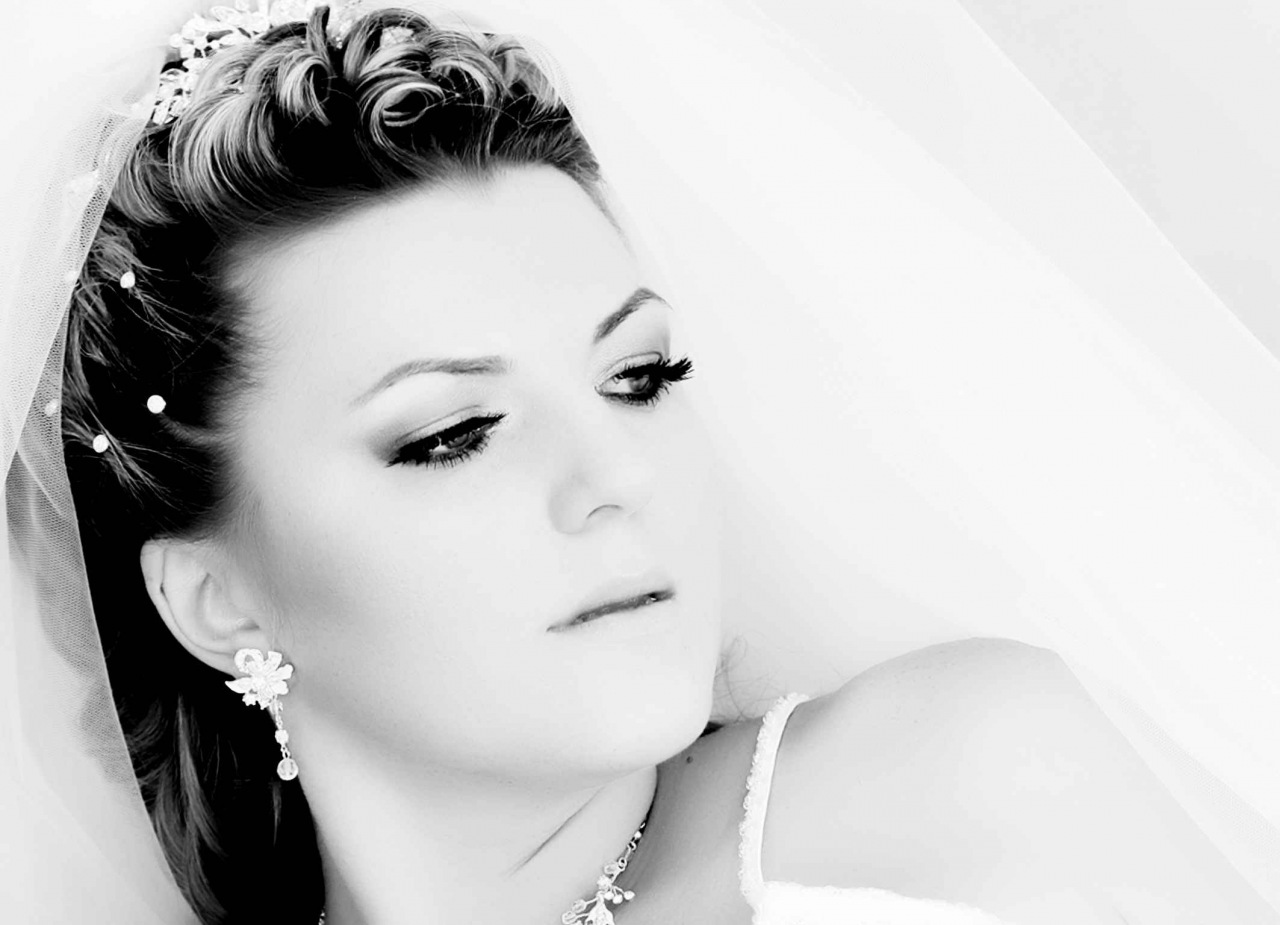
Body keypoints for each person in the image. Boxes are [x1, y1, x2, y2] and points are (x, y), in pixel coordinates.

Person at [5, 1, 1280, 923]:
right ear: (217, 597)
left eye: (640, 376)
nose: (616, 473)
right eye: (452, 435)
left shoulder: (964, 787)